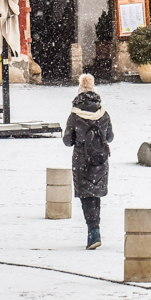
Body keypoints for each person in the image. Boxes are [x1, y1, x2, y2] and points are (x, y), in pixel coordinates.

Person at [62, 73, 113, 249]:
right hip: (100, 159)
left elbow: (67, 141)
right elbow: (110, 137)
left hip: (81, 159)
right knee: (95, 193)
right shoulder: (103, 114)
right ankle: (95, 228)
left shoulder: (75, 115)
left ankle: (93, 231)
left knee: (86, 195)